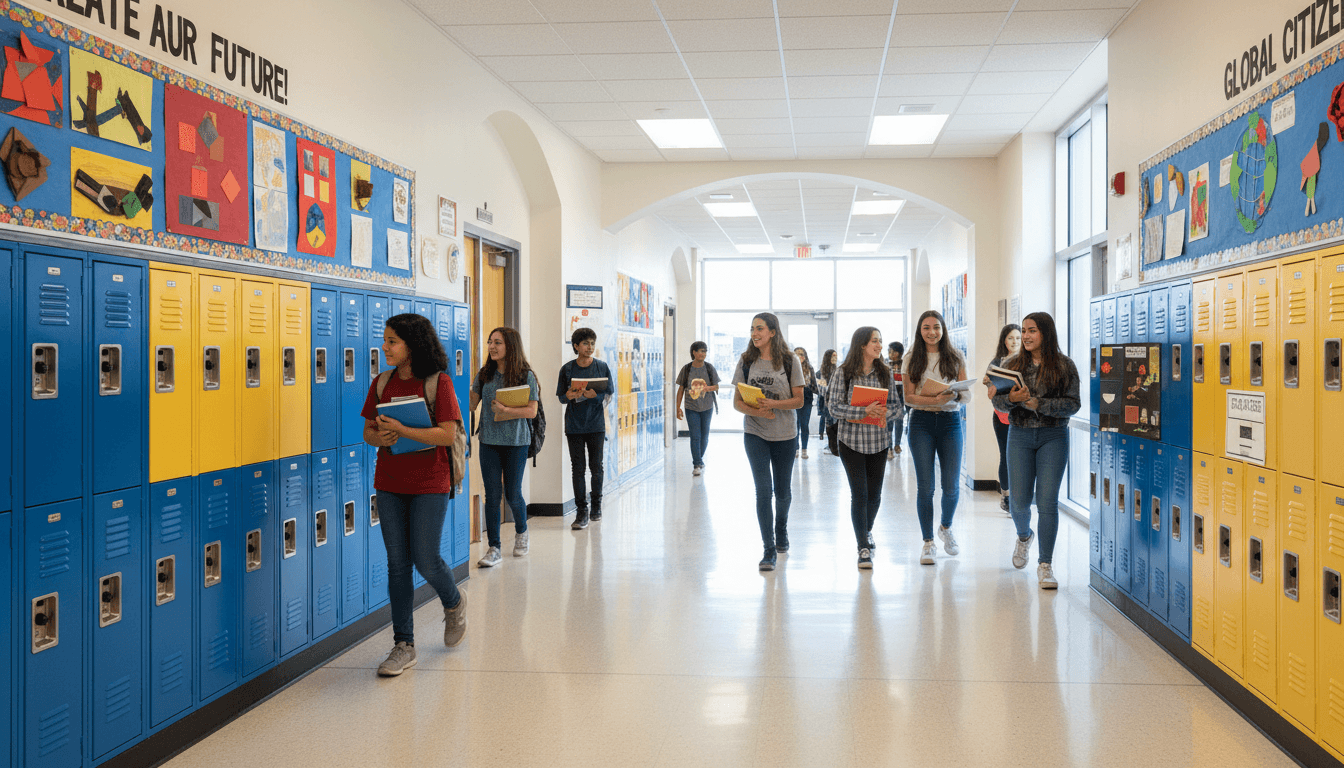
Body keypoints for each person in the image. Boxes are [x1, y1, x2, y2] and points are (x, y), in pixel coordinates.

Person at [360, 313, 467, 676]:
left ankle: (453, 602)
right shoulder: (382, 382)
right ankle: (403, 644)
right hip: (389, 481)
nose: (385, 347)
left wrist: (403, 430)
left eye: (392, 341)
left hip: (430, 483)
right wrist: (382, 437)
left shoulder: (439, 383)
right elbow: (368, 432)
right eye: (385, 340)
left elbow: (446, 435)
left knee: (426, 558)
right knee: (396, 563)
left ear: (412, 345)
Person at [992, 312, 1081, 589]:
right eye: (1024, 331)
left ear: (1046, 333)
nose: (1026, 336)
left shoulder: (1064, 365)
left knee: (1047, 502)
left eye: (1032, 331)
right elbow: (999, 404)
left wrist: (1039, 404)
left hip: (1053, 436)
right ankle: (1023, 536)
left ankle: (1045, 564)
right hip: (1019, 435)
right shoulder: (1010, 363)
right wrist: (1012, 399)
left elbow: (1073, 404)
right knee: (1018, 501)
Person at [732, 312, 804, 571]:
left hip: (785, 435)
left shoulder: (789, 360)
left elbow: (799, 400)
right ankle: (768, 548)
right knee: (764, 491)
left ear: (773, 332)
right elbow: (737, 402)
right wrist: (757, 411)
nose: (754, 333)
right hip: (755, 433)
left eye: (760, 328)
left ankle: (781, 527)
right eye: (752, 328)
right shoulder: (746, 361)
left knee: (783, 492)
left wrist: (773, 403)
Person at [827, 327, 902, 569]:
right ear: (861, 345)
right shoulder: (844, 373)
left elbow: (897, 407)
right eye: (875, 341)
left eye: (880, 341)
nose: (880, 346)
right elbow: (834, 408)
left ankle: (866, 530)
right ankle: (862, 547)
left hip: (878, 443)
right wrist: (863, 412)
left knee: (875, 495)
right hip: (851, 442)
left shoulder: (885, 373)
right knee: (859, 494)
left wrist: (884, 414)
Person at [902, 310, 970, 566]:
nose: (932, 332)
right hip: (921, 422)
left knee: (952, 485)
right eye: (926, 327)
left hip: (951, 421)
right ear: (920, 330)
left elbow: (966, 392)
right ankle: (928, 542)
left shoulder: (956, 356)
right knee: (926, 487)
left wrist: (954, 396)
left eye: (936, 327)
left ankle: (946, 527)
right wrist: (933, 399)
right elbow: (909, 397)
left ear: (943, 329)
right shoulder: (911, 358)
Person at [469, 327, 540, 567]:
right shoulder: (484, 374)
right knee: (492, 495)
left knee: (512, 493)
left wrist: (506, 411)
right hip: (489, 440)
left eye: (497, 342)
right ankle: (494, 547)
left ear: (510, 346)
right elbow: (471, 404)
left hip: (516, 442)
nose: (491, 347)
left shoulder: (525, 375)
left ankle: (522, 532)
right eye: (490, 342)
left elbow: (531, 411)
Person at [556, 327, 614, 530]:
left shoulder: (601, 367)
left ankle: (596, 505)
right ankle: (582, 511)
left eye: (592, 343)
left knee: (596, 467)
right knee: (578, 469)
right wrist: (570, 396)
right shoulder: (567, 369)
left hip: (596, 425)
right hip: (574, 426)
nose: (590, 347)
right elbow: (561, 396)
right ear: (576, 346)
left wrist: (595, 397)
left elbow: (608, 394)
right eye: (585, 343)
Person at [982, 324, 1021, 513]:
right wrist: (990, 383)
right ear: (1004, 341)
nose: (1015, 342)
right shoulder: (997, 362)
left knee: (1021, 457)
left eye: (1018, 338)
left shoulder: (1026, 361)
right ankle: (1006, 495)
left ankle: (1020, 496)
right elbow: (988, 386)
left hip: (1021, 415)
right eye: (1011, 338)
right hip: (1001, 415)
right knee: (1005, 455)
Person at [675, 341, 720, 476]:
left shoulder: (709, 368)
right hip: (691, 407)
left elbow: (716, 386)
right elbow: (681, 389)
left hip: (707, 406)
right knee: (695, 436)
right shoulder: (687, 369)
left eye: (705, 351)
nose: (703, 354)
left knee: (704, 436)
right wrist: (678, 407)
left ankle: (699, 460)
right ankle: (697, 464)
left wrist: (707, 388)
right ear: (694, 352)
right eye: (700, 351)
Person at [794, 347, 817, 459]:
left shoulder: (810, 368)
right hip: (793, 399)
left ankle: (804, 449)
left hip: (807, 399)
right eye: (797, 354)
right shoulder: (790, 368)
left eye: (802, 354)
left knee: (804, 425)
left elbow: (814, 385)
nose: (800, 356)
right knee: (795, 425)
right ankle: (796, 449)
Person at [817, 349, 840, 454]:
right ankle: (831, 446)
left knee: (837, 425)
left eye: (836, 356)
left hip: (838, 404)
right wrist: (834, 391)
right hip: (827, 404)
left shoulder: (839, 371)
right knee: (829, 425)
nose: (834, 358)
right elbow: (822, 390)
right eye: (832, 356)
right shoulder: (821, 373)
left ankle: (836, 446)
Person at [886, 341, 906, 459]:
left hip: (901, 396)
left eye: (892, 351)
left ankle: (897, 444)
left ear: (899, 353)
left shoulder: (905, 364)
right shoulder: (885, 364)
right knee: (888, 423)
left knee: (899, 421)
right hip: (889, 397)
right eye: (889, 351)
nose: (890, 354)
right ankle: (889, 448)